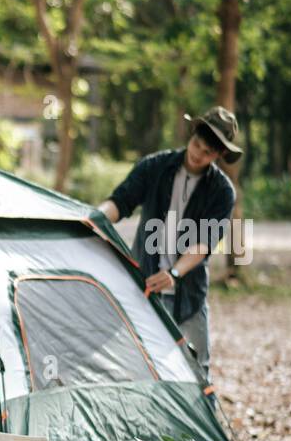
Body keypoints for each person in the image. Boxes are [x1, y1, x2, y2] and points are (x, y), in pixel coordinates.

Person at [97, 105, 243, 385]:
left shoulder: (222, 191)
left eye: (208, 153)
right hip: (144, 285)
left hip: (188, 293)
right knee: (138, 366)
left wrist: (174, 273)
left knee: (197, 371)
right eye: (197, 144)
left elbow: (204, 242)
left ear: (219, 156)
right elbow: (120, 201)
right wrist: (94, 220)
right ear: (191, 136)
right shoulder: (155, 167)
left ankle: (200, 429)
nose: (198, 154)